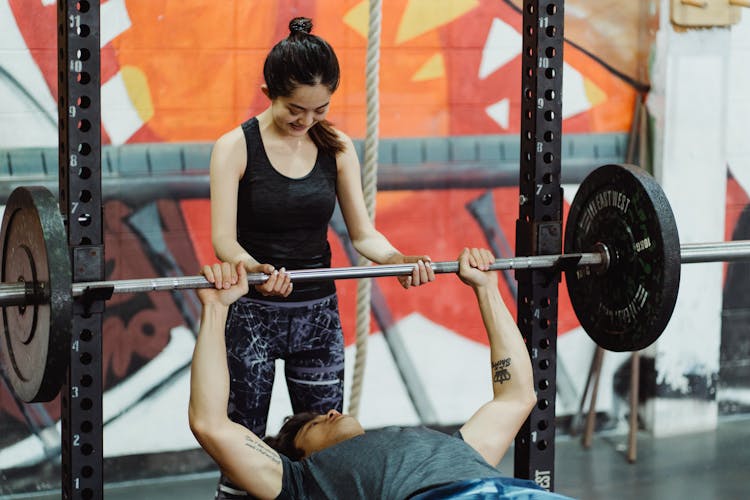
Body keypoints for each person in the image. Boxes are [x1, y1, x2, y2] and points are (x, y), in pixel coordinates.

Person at [208, 15, 434, 498]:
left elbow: (365, 235)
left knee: (332, 451)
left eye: (319, 109)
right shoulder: (234, 147)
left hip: (317, 316)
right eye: (295, 108)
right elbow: (223, 243)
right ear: (268, 89)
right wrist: (256, 271)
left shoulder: (338, 146)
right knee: (241, 446)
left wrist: (399, 258)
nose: (306, 120)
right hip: (252, 313)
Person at [190, 248, 573, 499]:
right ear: (301, 457)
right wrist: (217, 308)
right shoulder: (300, 482)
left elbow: (517, 396)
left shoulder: (456, 448)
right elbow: (210, 424)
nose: (332, 412)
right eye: (316, 424)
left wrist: (486, 288)